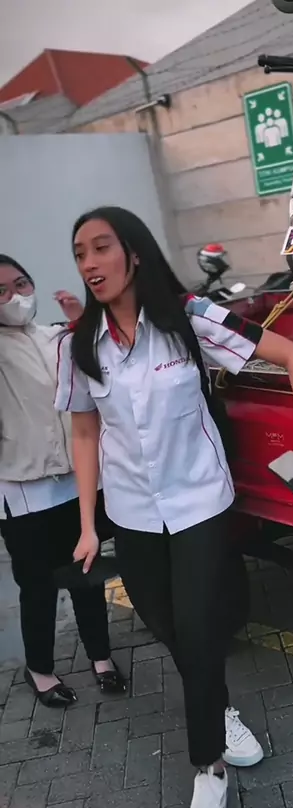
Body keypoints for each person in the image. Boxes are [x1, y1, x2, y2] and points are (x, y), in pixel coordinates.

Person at [54, 206, 293, 808]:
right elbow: (85, 433)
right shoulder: (80, 345)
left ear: (135, 253)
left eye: (101, 247)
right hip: (132, 515)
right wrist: (89, 525)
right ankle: (221, 710)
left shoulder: (190, 319)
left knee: (201, 632)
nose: (90, 263)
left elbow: (291, 354)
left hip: (200, 505)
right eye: (80, 252)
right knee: (171, 630)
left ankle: (209, 770)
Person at [0, 255, 126, 707]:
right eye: (1, 291)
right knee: (37, 587)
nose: (16, 297)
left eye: (21, 283)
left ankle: (101, 658)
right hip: (22, 489)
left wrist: (80, 321)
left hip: (76, 481)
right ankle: (40, 669)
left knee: (86, 575)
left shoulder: (55, 337)